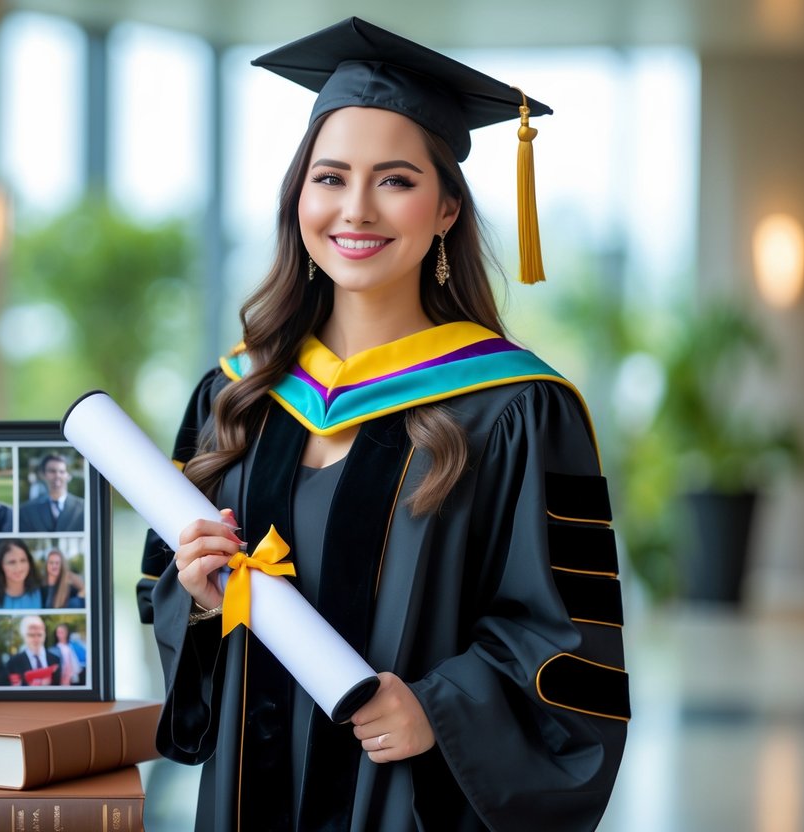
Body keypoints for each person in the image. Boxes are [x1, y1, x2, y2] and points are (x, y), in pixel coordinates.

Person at [138, 18, 629, 832]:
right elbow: (165, 595)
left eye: (395, 180)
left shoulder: (513, 408)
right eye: (329, 177)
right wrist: (191, 596)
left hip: (407, 799)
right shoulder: (237, 395)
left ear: (445, 210)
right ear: (298, 196)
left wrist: (438, 709)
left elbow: (567, 644)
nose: (354, 208)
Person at [18, 454, 84, 532]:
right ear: (43, 475)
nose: (57, 475)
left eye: (62, 472)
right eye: (52, 471)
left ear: (68, 476)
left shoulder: (84, 508)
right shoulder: (27, 511)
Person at [0, 538, 42, 609]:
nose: (18, 568)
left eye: (23, 560)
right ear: (0, 565)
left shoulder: (40, 593)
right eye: (12, 562)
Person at [3, 615, 61, 686]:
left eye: (39, 635)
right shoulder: (13, 663)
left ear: (44, 635)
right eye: (31, 635)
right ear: (24, 636)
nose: (36, 639)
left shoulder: (56, 660)